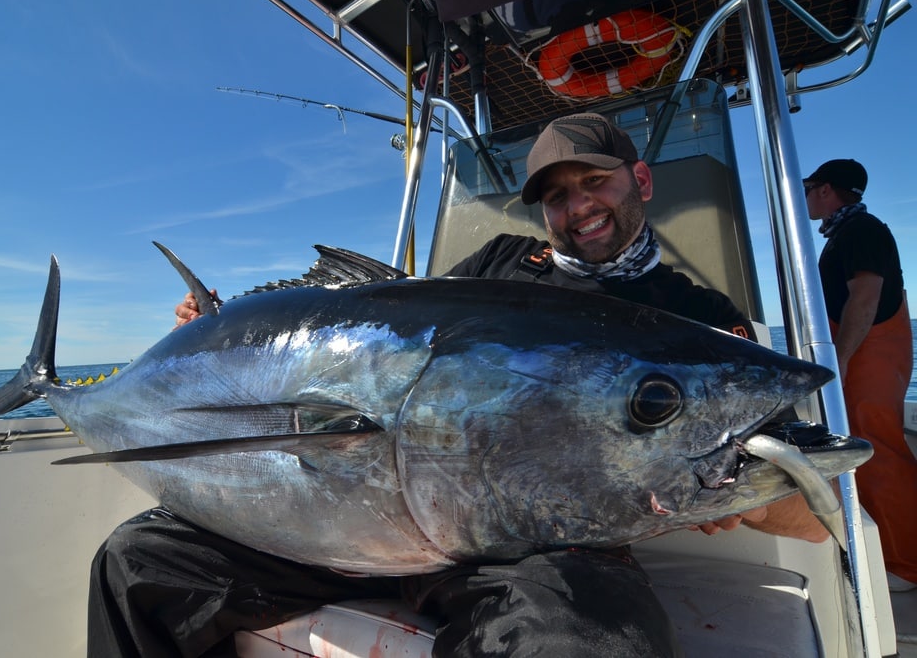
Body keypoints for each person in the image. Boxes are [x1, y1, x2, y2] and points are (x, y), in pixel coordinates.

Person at [90, 113, 830, 658]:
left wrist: (745, 499)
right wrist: (212, 333)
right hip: (357, 519)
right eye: (557, 195)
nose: (578, 207)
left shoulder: (699, 322)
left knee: (586, 643)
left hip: (537, 552)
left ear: (638, 179)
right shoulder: (499, 266)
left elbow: (812, 516)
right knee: (138, 563)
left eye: (595, 181)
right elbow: (363, 324)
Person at [803, 158, 917, 591]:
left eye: (810, 188)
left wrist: (842, 359)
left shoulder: (861, 231)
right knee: (867, 454)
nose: (807, 198)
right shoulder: (848, 232)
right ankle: (887, 553)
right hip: (864, 356)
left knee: (880, 452)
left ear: (827, 190)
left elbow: (865, 298)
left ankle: (906, 563)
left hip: (871, 358)